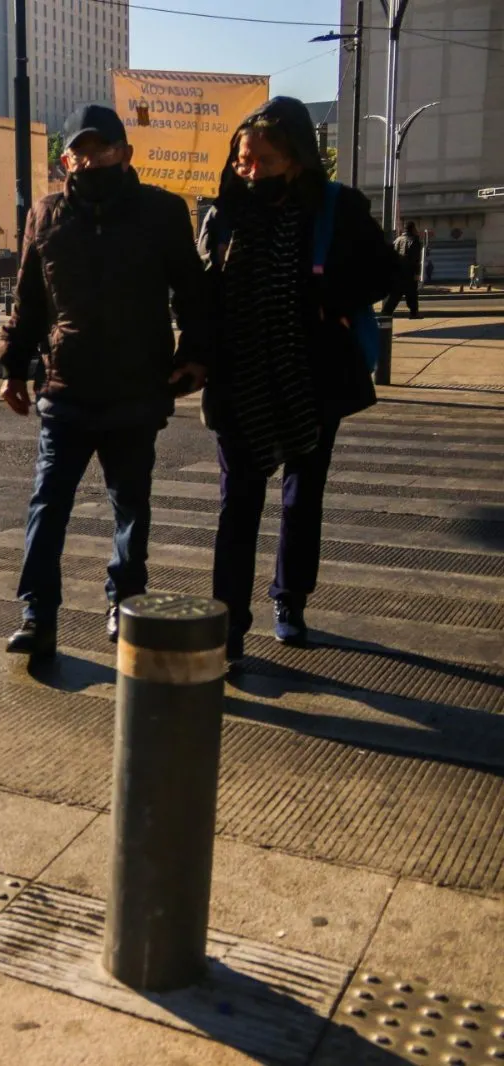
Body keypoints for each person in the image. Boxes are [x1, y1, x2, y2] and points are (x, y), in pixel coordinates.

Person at [0, 104, 212, 657]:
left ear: (126, 154)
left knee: (131, 506)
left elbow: (192, 293)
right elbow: (29, 299)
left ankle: (124, 599)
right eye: (81, 151)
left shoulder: (162, 212)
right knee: (47, 505)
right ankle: (37, 614)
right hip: (65, 389)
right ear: (66, 158)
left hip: (136, 389)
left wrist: (193, 355)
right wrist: (12, 367)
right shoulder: (46, 215)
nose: (91, 160)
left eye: (104, 149)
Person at [199, 97, 397, 667]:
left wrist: (332, 298)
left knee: (301, 495)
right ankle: (229, 624)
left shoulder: (336, 209)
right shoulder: (226, 213)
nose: (249, 170)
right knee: (238, 502)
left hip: (311, 378)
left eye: (262, 160)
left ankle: (290, 599)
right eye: (243, 160)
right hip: (240, 380)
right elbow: (203, 296)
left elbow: (386, 270)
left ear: (296, 160)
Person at [383, 220, 423, 318]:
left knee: (395, 295)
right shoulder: (414, 240)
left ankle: (386, 313)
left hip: (397, 272)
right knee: (412, 294)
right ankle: (414, 313)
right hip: (409, 272)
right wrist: (417, 273)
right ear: (413, 229)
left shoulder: (397, 240)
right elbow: (415, 259)